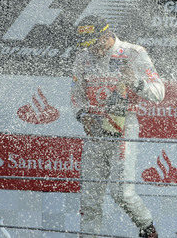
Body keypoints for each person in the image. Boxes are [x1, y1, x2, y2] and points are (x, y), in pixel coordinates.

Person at [71, 15, 164, 238]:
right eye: (86, 45)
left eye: (93, 44)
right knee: (90, 198)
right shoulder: (82, 57)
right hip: (94, 130)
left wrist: (135, 82)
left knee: (121, 192)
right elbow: (76, 96)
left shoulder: (134, 53)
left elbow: (159, 93)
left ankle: (148, 228)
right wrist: (82, 114)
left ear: (106, 35)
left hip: (124, 127)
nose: (90, 50)